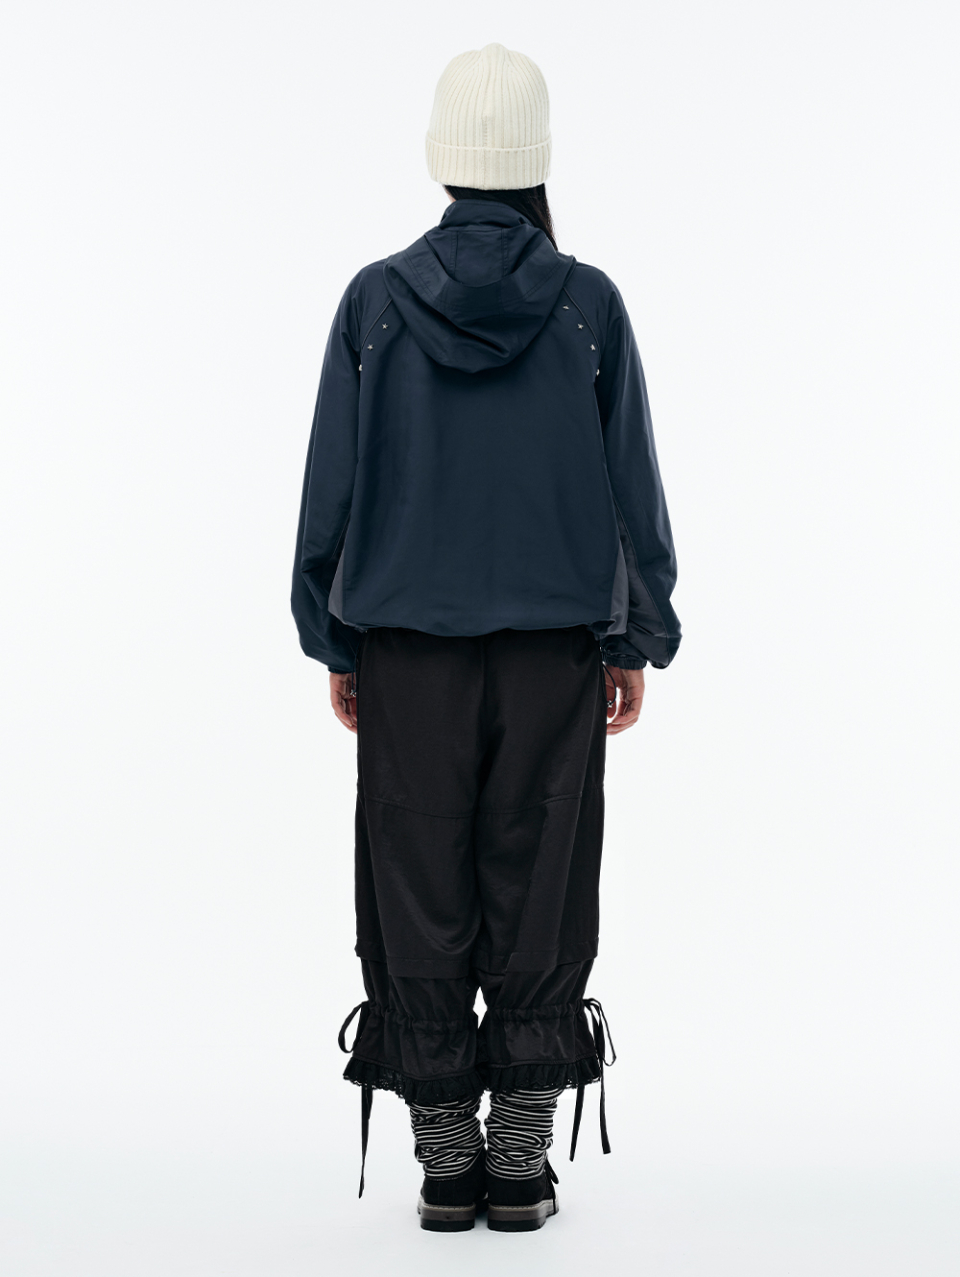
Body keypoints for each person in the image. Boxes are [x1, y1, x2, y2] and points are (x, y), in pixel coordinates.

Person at [292, 42, 681, 1233]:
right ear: (538, 158)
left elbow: (332, 487)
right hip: (554, 648)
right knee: (541, 873)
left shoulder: (374, 300)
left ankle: (446, 1155)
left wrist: (336, 638)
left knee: (414, 879)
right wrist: (637, 634)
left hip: (407, 644)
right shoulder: (587, 305)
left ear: (443, 157)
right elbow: (631, 482)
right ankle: (518, 1159)